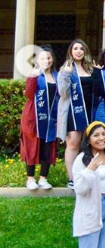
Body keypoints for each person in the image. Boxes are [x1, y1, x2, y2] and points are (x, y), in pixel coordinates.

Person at [58, 39, 95, 188]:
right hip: (73, 111)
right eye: (75, 49)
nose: (79, 51)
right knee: (73, 143)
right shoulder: (66, 69)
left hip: (90, 109)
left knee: (88, 143)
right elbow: (63, 93)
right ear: (71, 52)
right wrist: (66, 75)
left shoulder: (90, 68)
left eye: (81, 48)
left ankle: (88, 175)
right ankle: (72, 178)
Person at [21, 47, 59, 190]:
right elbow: (29, 94)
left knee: (47, 146)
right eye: (43, 58)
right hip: (33, 117)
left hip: (50, 118)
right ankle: (30, 179)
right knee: (32, 146)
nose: (46, 61)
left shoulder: (56, 75)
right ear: (37, 60)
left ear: (52, 59)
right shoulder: (35, 74)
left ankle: (43, 178)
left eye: (49, 58)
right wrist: (33, 78)